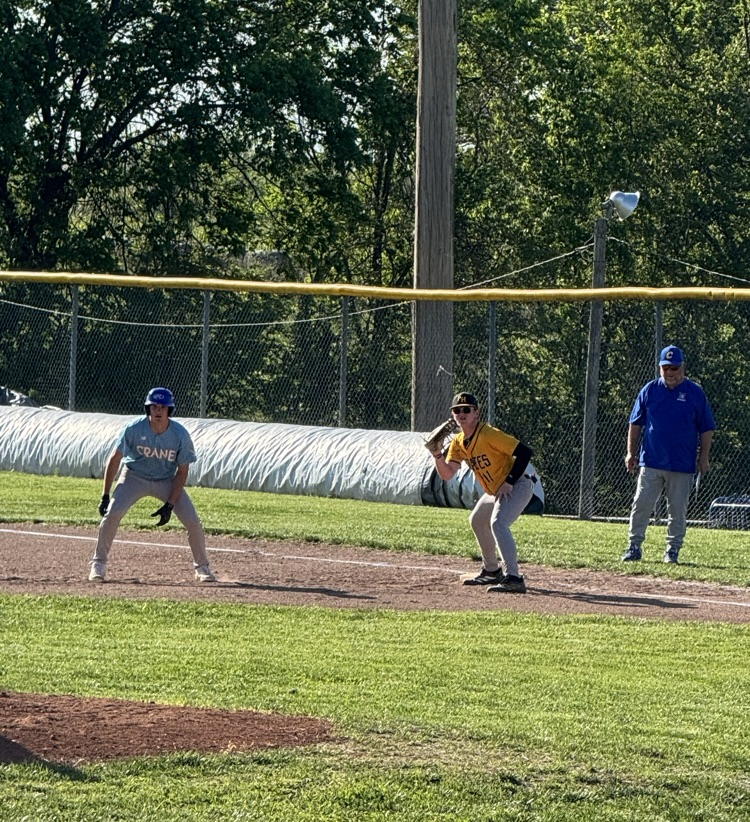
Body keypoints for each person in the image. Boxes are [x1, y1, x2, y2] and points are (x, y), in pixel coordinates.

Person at [89, 387, 216, 583]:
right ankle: (99, 564)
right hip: (134, 476)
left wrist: (170, 505)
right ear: (148, 409)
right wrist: (105, 495)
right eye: (154, 407)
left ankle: (202, 567)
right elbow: (114, 459)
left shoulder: (180, 435)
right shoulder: (133, 429)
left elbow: (182, 472)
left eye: (163, 408)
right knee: (112, 513)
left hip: (166, 480)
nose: (158, 411)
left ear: (169, 411)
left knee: (193, 521)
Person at [429, 392, 535, 593]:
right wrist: (436, 454)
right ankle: (491, 571)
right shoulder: (459, 442)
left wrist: (509, 481)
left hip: (519, 483)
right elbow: (448, 474)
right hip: (496, 490)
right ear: (453, 415)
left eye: (466, 409)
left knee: (498, 523)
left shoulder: (488, 434)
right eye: (457, 410)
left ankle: (514, 577)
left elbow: (525, 452)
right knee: (477, 520)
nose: (462, 413)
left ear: (476, 413)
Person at [622, 345, 716, 564]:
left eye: (674, 367)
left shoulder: (695, 393)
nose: (670, 372)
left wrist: (704, 457)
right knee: (641, 504)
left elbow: (707, 428)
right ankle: (634, 546)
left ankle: (672, 550)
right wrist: (631, 453)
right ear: (660, 368)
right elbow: (635, 424)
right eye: (666, 368)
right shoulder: (650, 390)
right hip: (652, 460)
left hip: (682, 463)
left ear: (683, 367)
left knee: (677, 510)